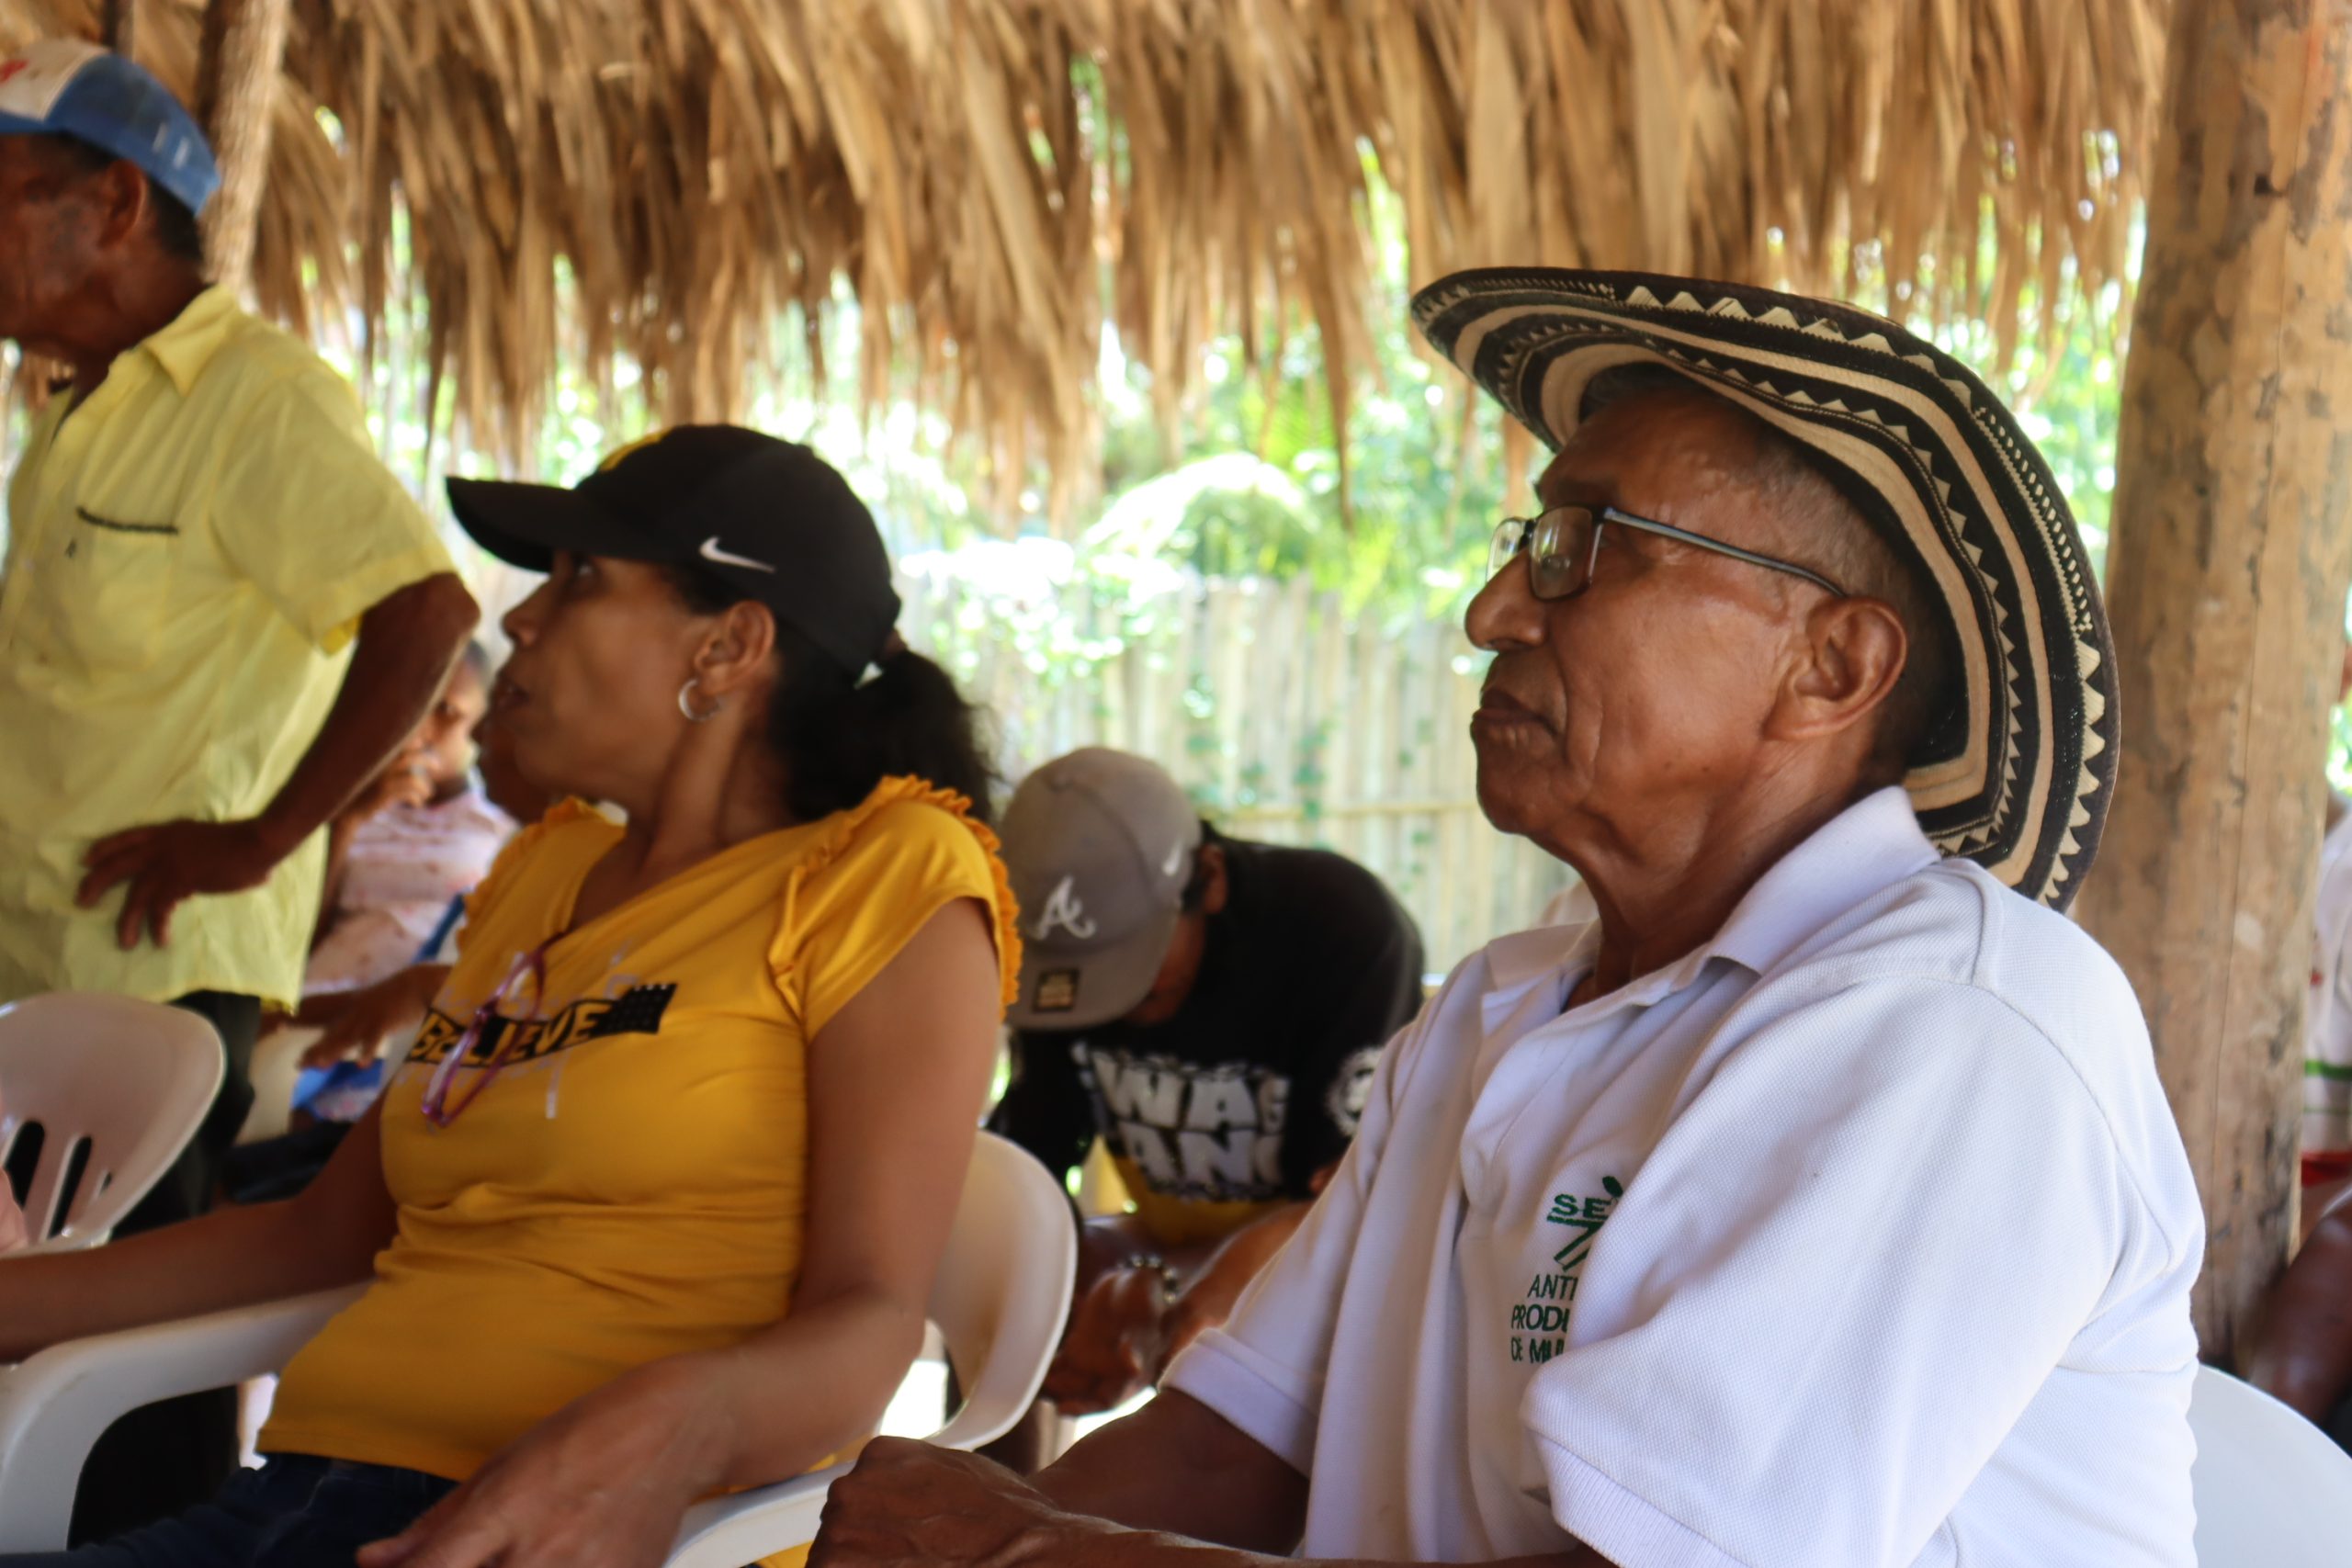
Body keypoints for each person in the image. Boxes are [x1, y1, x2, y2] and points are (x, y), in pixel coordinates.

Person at [808, 270, 2200, 1568]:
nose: (1491, 611)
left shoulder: (1952, 1030)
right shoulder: (1500, 1005)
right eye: (1529, 540)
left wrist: (1014, 1547)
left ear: (1829, 664)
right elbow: (1236, 1443)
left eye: (1583, 548)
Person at [0, 425, 1021, 1568]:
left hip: (550, 1530)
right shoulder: (546, 867)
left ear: (730, 644)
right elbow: (312, 1237)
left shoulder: (886, 874)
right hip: (288, 1501)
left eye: (582, 579)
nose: (523, 619)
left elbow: (872, 1320)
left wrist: (666, 1434)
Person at [0, 39, 479, 1536]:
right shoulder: (73, 402)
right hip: (36, 954)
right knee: (42, 1334)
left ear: (117, 204)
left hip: (158, 972)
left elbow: (427, 612)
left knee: (120, 1362)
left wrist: (266, 834)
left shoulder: (258, 401)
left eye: (1, 194)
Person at [988, 749, 1423, 1436]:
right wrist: (1090, 1287)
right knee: (1008, 1287)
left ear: (1209, 880)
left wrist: (1184, 1293)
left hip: (1314, 1250)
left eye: (1134, 968)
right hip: (1159, 1236)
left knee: (1212, 1342)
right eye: (1084, 979)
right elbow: (1031, 1167)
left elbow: (1350, 1204)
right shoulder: (1056, 980)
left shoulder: (1337, 929)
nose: (1115, 1003)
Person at [306, 642, 511, 998]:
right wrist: (350, 820)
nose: (421, 729)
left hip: (403, 1021)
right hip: (309, 1001)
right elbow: (298, 933)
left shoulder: (496, 830)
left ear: (483, 722)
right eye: (413, 703)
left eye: (447, 711)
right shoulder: (347, 805)